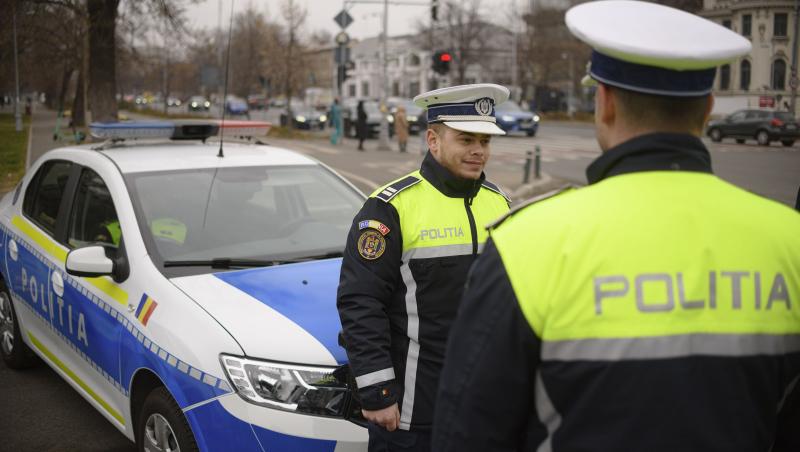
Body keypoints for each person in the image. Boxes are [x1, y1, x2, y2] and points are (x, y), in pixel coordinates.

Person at [433, 2, 800, 452]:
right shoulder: (788, 239)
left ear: (603, 103)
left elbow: (469, 432)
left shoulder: (525, 245)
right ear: (707, 109)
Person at [338, 84, 513, 452]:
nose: (479, 151)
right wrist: (377, 390)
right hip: (410, 411)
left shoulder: (499, 204)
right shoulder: (390, 208)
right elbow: (360, 301)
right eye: (466, 140)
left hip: (480, 404)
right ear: (433, 140)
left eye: (485, 142)